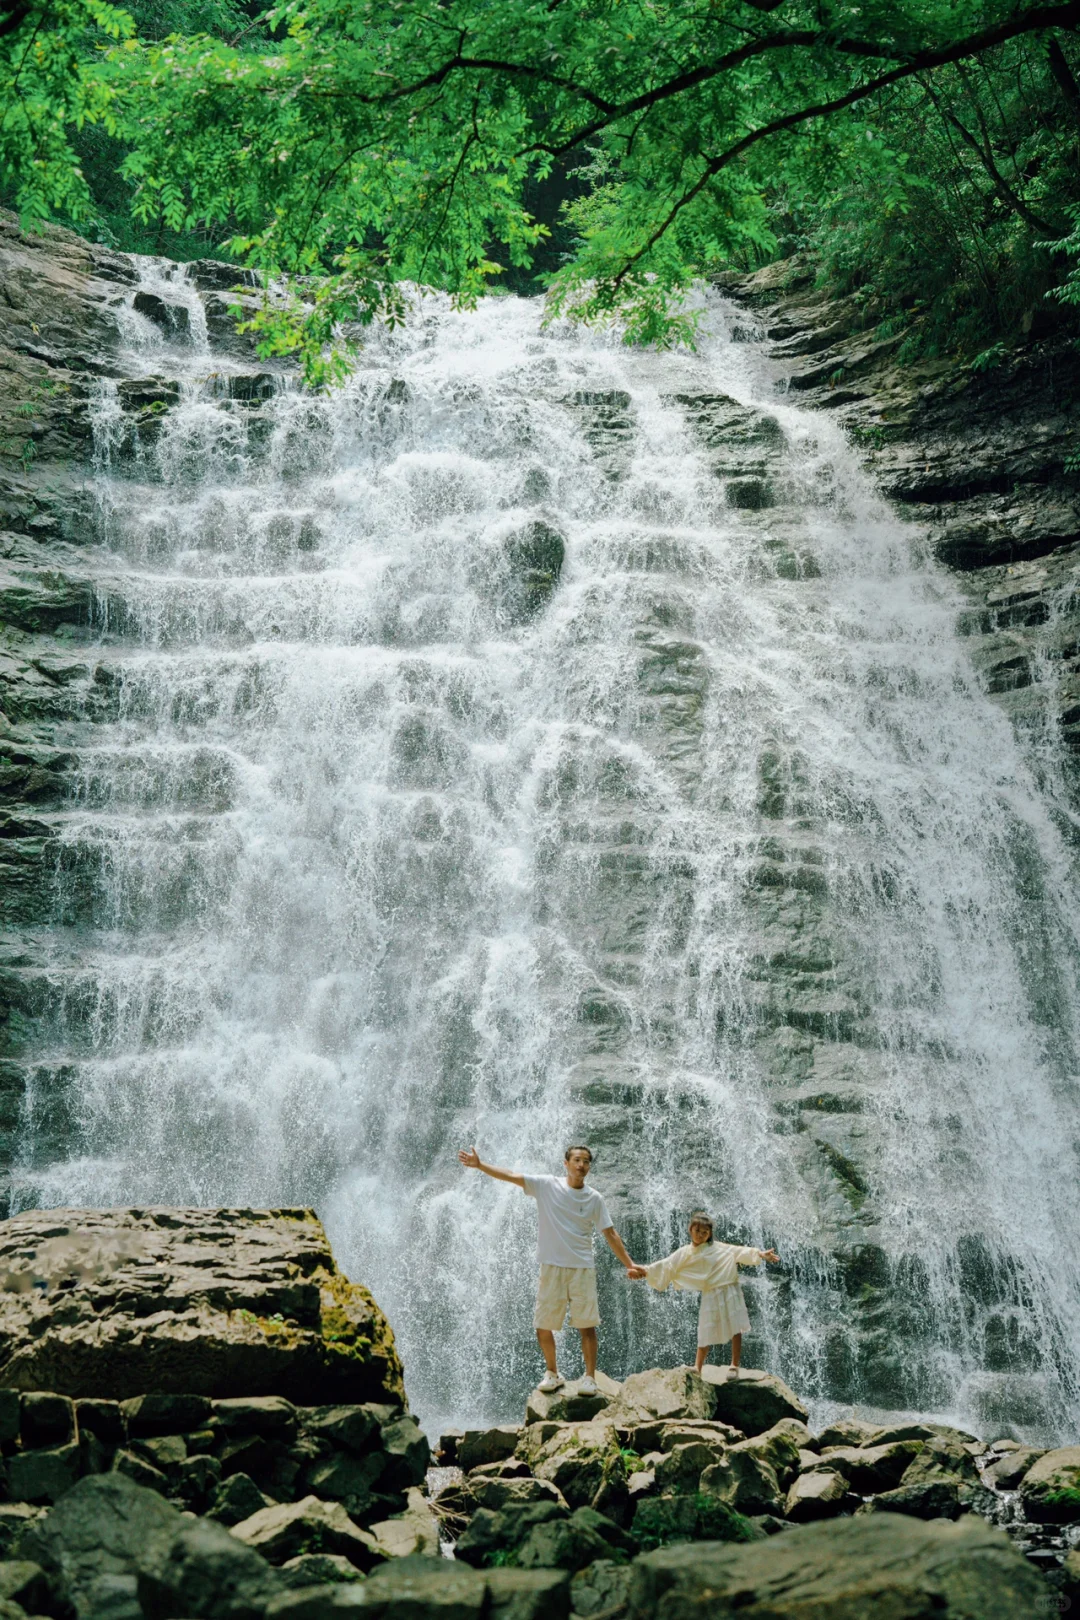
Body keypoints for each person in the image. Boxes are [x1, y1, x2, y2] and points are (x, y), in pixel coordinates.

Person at [457, 1142, 639, 1395]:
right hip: (551, 1267)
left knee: (587, 1326)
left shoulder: (595, 1198)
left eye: (586, 1161)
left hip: (581, 1268)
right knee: (543, 1325)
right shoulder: (546, 1185)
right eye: (576, 1160)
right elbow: (511, 1176)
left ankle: (589, 1377)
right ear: (566, 1164)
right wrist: (479, 1165)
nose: (581, 1165)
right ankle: (552, 1373)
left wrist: (629, 1265)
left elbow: (610, 1233)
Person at [627, 1210, 779, 1373]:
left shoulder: (719, 1248)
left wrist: (761, 1255)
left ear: (710, 1234)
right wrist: (644, 1271)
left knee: (735, 1327)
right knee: (705, 1328)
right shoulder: (685, 1252)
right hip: (711, 1292)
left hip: (729, 1288)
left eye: (705, 1232)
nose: (700, 1235)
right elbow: (667, 1265)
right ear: (690, 1229)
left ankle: (734, 1365)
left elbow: (739, 1251)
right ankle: (697, 1367)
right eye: (697, 1231)